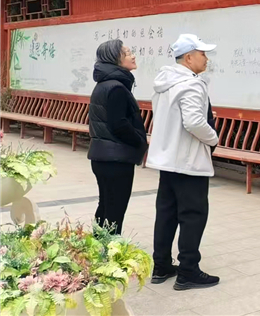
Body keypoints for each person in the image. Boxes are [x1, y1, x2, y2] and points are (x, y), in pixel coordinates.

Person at [147, 34, 220, 290]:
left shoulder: (165, 81)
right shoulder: (191, 84)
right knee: (193, 215)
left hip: (167, 159)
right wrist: (213, 138)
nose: (206, 58)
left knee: (166, 214)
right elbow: (194, 122)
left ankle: (161, 266)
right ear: (189, 57)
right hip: (188, 162)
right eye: (203, 54)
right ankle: (188, 270)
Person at [87, 40, 148, 235]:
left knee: (106, 206)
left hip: (103, 156)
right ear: (115, 59)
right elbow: (119, 124)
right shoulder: (116, 88)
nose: (133, 56)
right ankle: (109, 249)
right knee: (115, 210)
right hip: (115, 159)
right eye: (128, 53)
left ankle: (97, 247)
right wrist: (140, 141)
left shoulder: (105, 84)